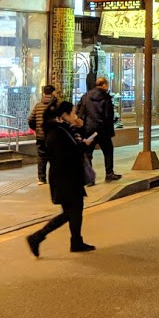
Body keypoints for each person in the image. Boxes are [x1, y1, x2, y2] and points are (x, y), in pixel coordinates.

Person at [26, 100, 96, 256]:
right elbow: (65, 156)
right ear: (64, 115)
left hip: (67, 177)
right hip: (65, 178)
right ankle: (37, 237)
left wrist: (80, 141)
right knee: (72, 212)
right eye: (73, 113)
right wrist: (83, 146)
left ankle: (75, 241)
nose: (75, 115)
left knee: (73, 211)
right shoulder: (57, 133)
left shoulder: (62, 130)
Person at [77, 77, 119, 182]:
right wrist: (110, 128)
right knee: (108, 151)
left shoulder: (86, 96)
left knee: (88, 153)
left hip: (89, 130)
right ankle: (109, 173)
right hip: (103, 130)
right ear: (104, 85)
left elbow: (80, 111)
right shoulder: (106, 98)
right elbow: (108, 115)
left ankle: (89, 178)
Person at [27, 84, 57, 185]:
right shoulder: (56, 106)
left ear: (44, 93)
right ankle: (54, 178)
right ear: (53, 93)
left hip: (40, 136)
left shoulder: (38, 105)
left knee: (41, 157)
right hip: (53, 136)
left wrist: (36, 129)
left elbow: (31, 119)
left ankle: (41, 178)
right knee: (54, 157)